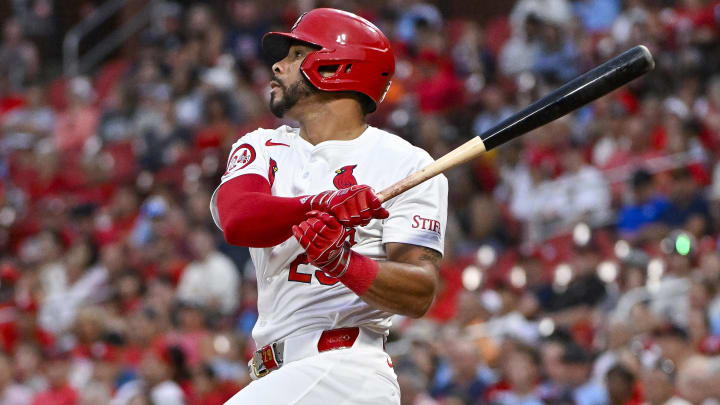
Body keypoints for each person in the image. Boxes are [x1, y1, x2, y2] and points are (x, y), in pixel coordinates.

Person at [210, 8, 448, 404]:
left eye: (297, 54)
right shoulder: (263, 145)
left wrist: (344, 263)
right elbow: (239, 218)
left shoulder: (407, 164)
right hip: (278, 373)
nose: (278, 64)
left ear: (339, 66)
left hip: (345, 369)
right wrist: (326, 204)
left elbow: (419, 292)